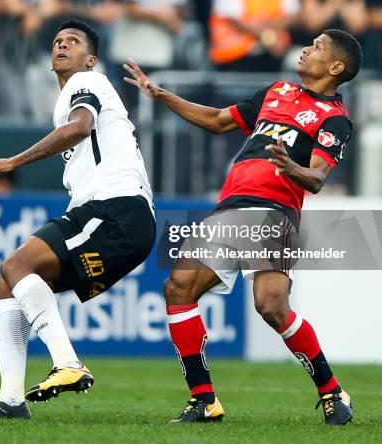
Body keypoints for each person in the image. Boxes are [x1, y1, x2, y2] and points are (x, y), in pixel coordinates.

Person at [124, 28, 362, 425]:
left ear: (336, 67)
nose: (305, 48)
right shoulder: (276, 92)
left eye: (317, 46)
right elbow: (218, 120)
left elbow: (317, 179)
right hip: (230, 207)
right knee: (178, 287)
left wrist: (293, 168)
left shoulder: (334, 120)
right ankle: (204, 401)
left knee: (271, 306)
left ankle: (332, 391)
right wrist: (161, 94)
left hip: (274, 212)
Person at [0, 19, 155, 419]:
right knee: (6, 283)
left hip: (114, 207)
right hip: (112, 213)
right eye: (57, 41)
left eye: (73, 41)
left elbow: (81, 128)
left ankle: (67, 363)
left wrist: (11, 161)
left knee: (16, 265)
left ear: (91, 58)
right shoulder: (65, 99)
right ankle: (11, 399)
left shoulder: (90, 83)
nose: (62, 46)